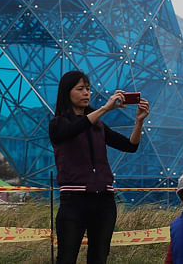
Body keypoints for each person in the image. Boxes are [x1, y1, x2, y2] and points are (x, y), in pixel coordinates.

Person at [48, 70, 150, 264]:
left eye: (88, 89)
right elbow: (74, 129)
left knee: (99, 257)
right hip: (74, 199)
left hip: (104, 200)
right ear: (66, 93)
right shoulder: (58, 124)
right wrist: (104, 108)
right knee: (67, 257)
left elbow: (130, 146)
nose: (86, 93)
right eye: (80, 89)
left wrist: (139, 122)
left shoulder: (99, 126)